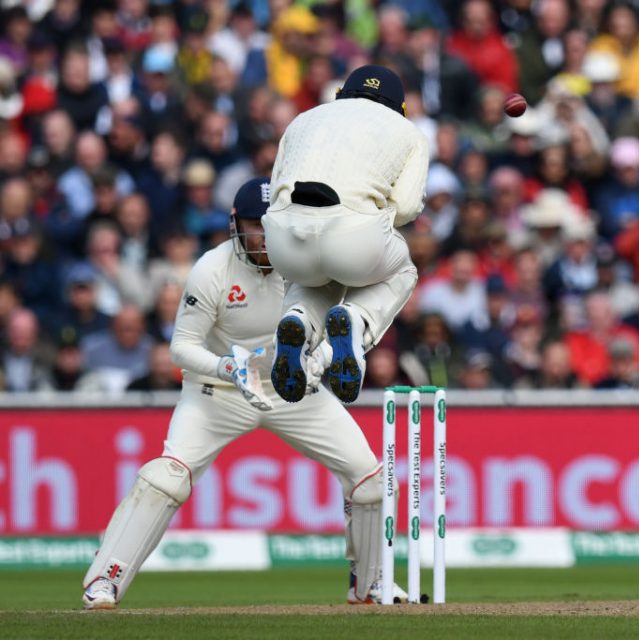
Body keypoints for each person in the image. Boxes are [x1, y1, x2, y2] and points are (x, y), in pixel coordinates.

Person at [82, 178, 395, 609]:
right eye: (255, 225)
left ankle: (370, 586)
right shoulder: (212, 269)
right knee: (167, 476)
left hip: (293, 387)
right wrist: (226, 366)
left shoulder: (310, 262)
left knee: (369, 482)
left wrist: (319, 358)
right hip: (218, 392)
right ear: (235, 223)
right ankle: (104, 580)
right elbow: (180, 347)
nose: (264, 236)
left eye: (271, 225)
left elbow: (340, 319)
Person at [263, 64, 428, 404]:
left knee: (318, 273)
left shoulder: (304, 118)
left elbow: (276, 185)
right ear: (400, 108)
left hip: (283, 239)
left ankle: (298, 321)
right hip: (354, 237)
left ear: (340, 95)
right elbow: (408, 206)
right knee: (402, 270)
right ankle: (357, 319)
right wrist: (368, 219)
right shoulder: (408, 131)